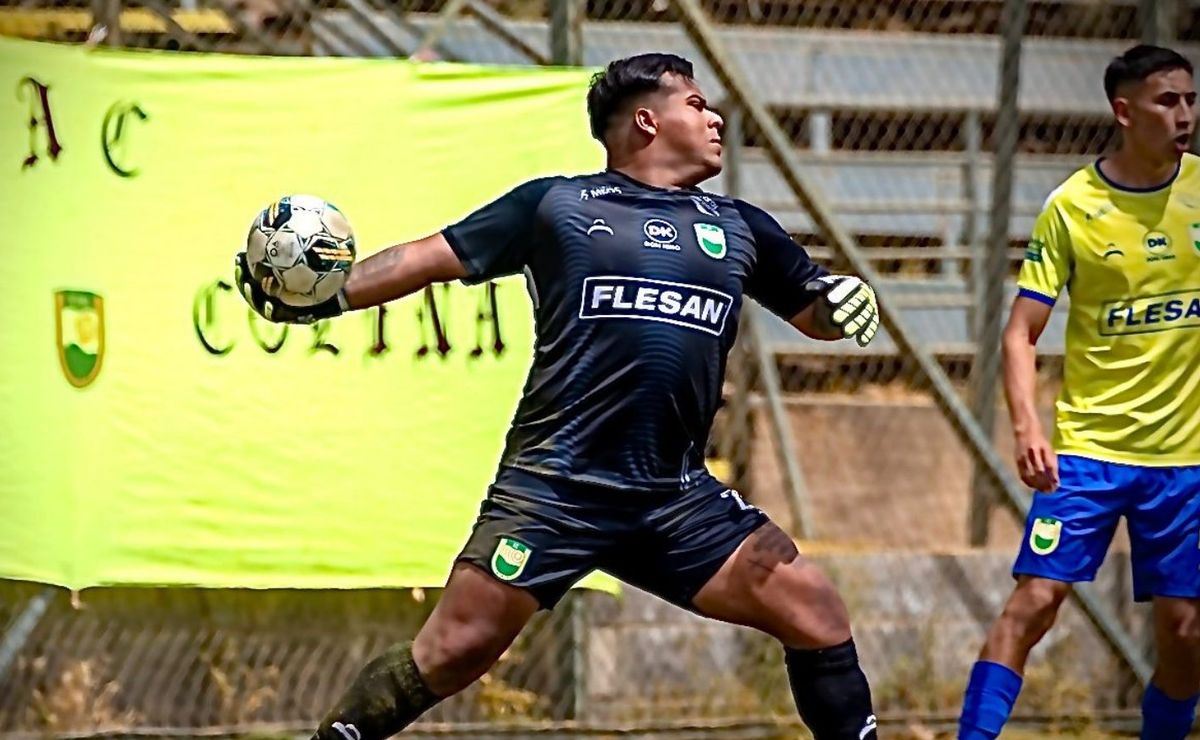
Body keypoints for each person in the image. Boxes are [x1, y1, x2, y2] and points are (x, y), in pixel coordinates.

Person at [237, 53, 881, 740]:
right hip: (556, 486)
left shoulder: (741, 225)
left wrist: (844, 301)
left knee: (816, 615)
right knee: (452, 653)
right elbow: (428, 257)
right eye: (695, 104)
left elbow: (814, 308)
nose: (715, 116)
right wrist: (323, 300)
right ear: (646, 119)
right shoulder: (556, 206)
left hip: (672, 495)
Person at [957, 44, 1199, 740]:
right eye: (1166, 101)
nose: (1184, 114)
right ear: (1124, 112)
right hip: (1090, 452)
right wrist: (1029, 427)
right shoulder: (1074, 206)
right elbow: (1019, 334)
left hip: (1186, 462)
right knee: (1035, 601)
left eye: (1189, 99)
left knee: (1185, 634)